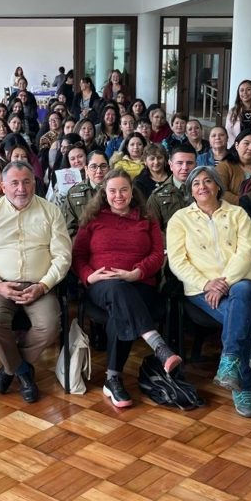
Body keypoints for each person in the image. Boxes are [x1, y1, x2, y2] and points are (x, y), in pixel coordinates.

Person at [72, 169, 181, 407]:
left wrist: (136, 273)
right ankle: (157, 345)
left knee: (120, 308)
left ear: (132, 192)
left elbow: (156, 254)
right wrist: (89, 277)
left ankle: (113, 379)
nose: (118, 195)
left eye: (124, 190)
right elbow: (77, 255)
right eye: (112, 190)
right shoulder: (93, 219)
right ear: (105, 193)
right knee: (116, 290)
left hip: (140, 285)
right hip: (101, 287)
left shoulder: (147, 219)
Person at [0, 161, 72, 403]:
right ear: (2, 186)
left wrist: (44, 285)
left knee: (49, 325)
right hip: (1, 286)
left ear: (35, 183)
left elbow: (63, 256)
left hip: (40, 285)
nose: (21, 189)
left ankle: (10, 367)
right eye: (14, 183)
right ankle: (24, 372)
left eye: (27, 182)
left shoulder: (51, 212)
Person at [167, 166, 251, 418]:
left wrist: (225, 282)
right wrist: (207, 283)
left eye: (208, 181)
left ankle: (229, 362)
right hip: (201, 288)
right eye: (196, 183)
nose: (202, 187)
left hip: (240, 279)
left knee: (240, 295)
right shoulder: (179, 219)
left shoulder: (238, 214)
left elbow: (245, 252)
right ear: (190, 190)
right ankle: (241, 383)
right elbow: (177, 261)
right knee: (237, 314)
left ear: (217, 185)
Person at [147, 144, 196, 232]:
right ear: (171, 165)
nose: (184, 168)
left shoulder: (205, 191)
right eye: (179, 163)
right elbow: (154, 231)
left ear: (196, 164)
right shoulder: (157, 197)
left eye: (189, 163)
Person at [62, 151, 109, 237]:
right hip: (82, 244)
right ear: (86, 169)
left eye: (103, 166)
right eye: (93, 167)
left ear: (109, 168)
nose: (99, 171)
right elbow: (68, 228)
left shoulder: (116, 191)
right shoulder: (74, 193)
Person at [216, 129, 251, 204]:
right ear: (236, 145)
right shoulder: (224, 166)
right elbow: (220, 191)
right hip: (232, 210)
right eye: (246, 143)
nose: (250, 148)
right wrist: (244, 203)